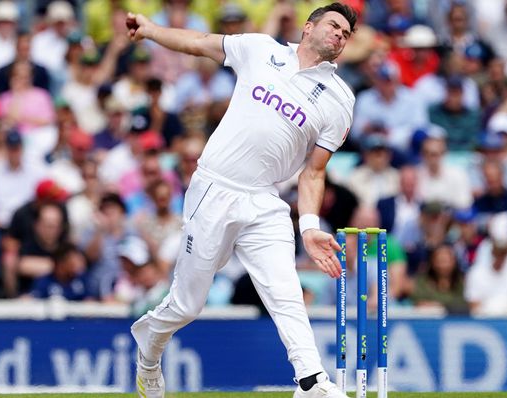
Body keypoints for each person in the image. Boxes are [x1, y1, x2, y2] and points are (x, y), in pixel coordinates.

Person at [125, 3, 357, 398]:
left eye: (346, 34)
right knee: (187, 305)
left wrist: (310, 227)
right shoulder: (260, 49)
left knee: (286, 292)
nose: (339, 35)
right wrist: (149, 29)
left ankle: (312, 381)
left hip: (266, 201)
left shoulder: (340, 99)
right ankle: (149, 350)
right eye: (334, 25)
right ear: (308, 27)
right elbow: (198, 42)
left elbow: (314, 172)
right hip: (215, 188)